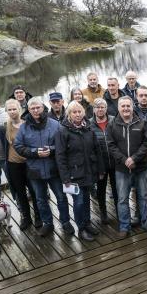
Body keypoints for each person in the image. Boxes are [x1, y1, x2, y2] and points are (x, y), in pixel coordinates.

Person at [14, 97, 72, 237]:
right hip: (35, 170)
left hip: (54, 168)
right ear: (28, 110)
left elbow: (63, 144)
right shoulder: (24, 127)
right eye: (32, 108)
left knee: (61, 197)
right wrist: (35, 152)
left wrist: (51, 150)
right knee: (40, 199)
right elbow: (18, 146)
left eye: (38, 107)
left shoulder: (55, 124)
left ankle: (65, 222)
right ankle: (48, 223)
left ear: (43, 107)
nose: (35, 110)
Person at [55, 101, 103, 242]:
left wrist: (100, 169)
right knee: (78, 201)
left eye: (79, 111)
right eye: (74, 112)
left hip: (88, 172)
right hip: (73, 175)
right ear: (69, 114)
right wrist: (65, 178)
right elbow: (60, 156)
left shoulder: (88, 128)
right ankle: (81, 229)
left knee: (87, 200)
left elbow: (97, 150)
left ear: (83, 113)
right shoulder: (62, 131)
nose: (77, 114)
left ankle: (87, 224)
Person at [107, 96, 147, 236]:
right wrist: (124, 159)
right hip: (121, 169)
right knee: (122, 198)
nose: (126, 108)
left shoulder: (142, 123)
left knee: (144, 195)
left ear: (133, 107)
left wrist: (134, 158)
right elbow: (111, 145)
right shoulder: (112, 124)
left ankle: (146, 222)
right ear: (118, 108)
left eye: (128, 106)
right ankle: (125, 226)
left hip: (141, 167)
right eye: (123, 106)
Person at [0, 99, 41, 230]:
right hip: (13, 164)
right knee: (20, 193)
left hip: (28, 163)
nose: (12, 112)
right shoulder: (4, 127)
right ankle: (26, 218)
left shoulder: (27, 124)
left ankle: (38, 217)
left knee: (34, 191)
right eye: (9, 109)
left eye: (14, 109)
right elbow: (4, 145)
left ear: (20, 109)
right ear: (6, 111)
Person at [89, 98, 118, 224]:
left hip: (115, 161)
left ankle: (119, 211)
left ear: (106, 108)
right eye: (97, 107)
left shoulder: (114, 120)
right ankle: (103, 212)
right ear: (94, 109)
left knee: (117, 188)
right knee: (101, 189)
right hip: (100, 164)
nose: (100, 110)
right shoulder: (89, 124)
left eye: (102, 107)